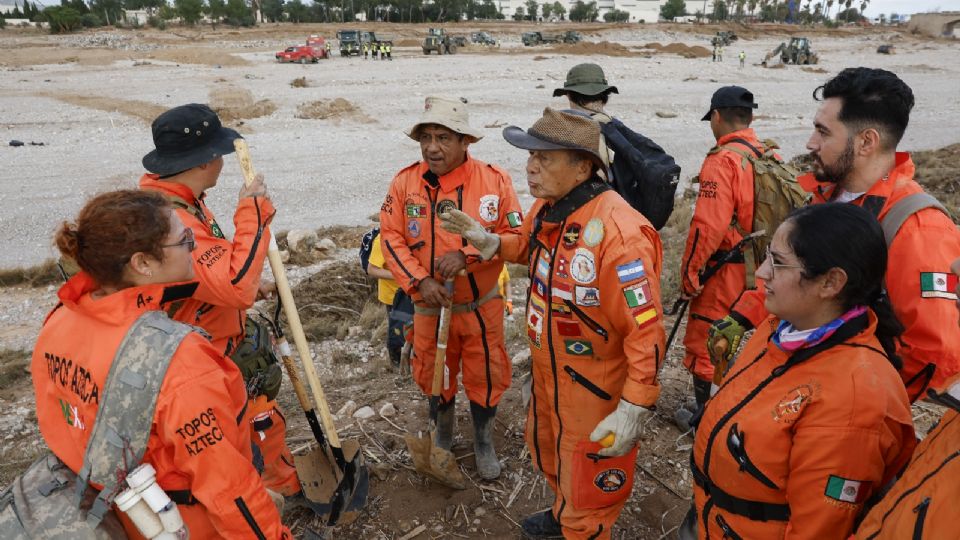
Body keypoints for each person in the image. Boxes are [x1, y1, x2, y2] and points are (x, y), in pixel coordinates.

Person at [440, 108, 666, 540]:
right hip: (550, 374)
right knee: (549, 449)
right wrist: (490, 242)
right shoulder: (551, 207)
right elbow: (530, 247)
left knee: (589, 477)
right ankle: (564, 513)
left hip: (595, 387)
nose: (530, 165)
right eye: (530, 155)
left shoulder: (620, 234)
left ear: (583, 167)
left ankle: (582, 527)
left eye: (545, 157)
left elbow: (646, 331)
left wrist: (634, 407)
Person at [32, 190, 290, 538]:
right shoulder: (177, 360)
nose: (194, 247)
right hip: (184, 523)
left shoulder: (60, 321)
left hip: (104, 512)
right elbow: (228, 488)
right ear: (142, 263)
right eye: (184, 239)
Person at [709, 67, 960, 402]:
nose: (811, 143)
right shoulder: (825, 197)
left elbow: (933, 355)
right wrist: (742, 316)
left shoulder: (916, 228)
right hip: (794, 373)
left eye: (823, 132)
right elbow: (785, 267)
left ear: (866, 142)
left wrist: (857, 403)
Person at [692, 203, 915, 539]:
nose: (762, 272)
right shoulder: (782, 327)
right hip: (715, 518)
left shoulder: (853, 401)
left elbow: (817, 530)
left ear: (830, 282)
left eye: (778, 263)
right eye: (767, 255)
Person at [139, 104, 301, 498]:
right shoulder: (171, 220)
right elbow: (235, 286)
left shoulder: (177, 199)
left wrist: (237, 287)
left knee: (263, 427)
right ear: (206, 160)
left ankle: (287, 490)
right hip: (202, 363)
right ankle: (267, 506)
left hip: (213, 345)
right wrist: (254, 212)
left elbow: (212, 276)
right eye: (219, 154)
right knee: (246, 441)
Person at [379, 96, 522, 481]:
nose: (432, 147)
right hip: (428, 307)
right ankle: (442, 435)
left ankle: (483, 440)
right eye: (426, 137)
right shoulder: (405, 182)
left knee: (486, 376)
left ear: (465, 142)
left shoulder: (495, 181)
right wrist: (419, 281)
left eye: (443, 137)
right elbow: (390, 236)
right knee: (434, 374)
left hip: (480, 306)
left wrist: (469, 256)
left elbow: (514, 236)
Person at [855, 256, 960, 538]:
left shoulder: (920, 232)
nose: (955, 268)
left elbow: (931, 348)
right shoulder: (953, 413)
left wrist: (891, 401)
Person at [678, 86, 763, 410]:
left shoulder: (722, 161)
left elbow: (707, 227)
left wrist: (690, 274)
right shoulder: (767, 155)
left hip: (726, 269)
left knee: (708, 344)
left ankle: (707, 418)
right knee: (736, 336)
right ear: (749, 116)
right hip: (759, 270)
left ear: (716, 116)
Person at [366, 228, 413, 370]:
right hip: (393, 297)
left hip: (415, 292)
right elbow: (372, 269)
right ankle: (396, 367)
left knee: (416, 331)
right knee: (397, 332)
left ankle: (413, 366)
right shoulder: (382, 238)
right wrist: (400, 275)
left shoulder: (414, 233)